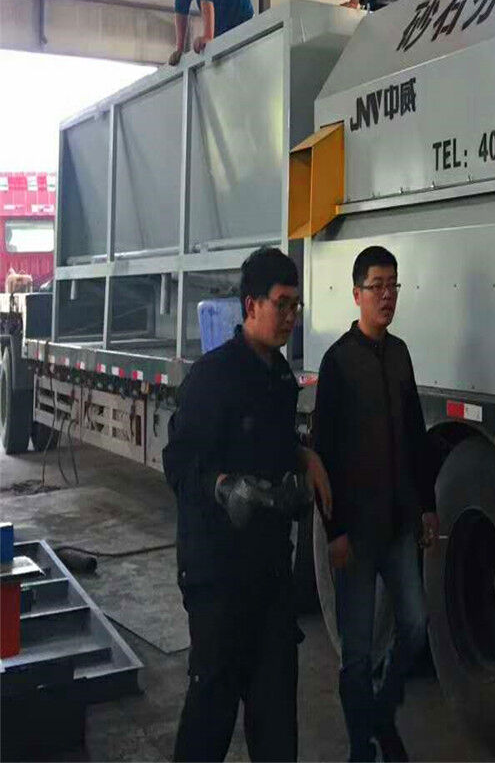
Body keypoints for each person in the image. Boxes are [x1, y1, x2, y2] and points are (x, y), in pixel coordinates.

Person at [163, 247, 332, 763]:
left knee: (276, 716)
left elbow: (272, 444)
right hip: (216, 578)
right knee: (211, 710)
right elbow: (179, 462)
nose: (290, 317)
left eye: (296, 306)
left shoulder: (280, 379)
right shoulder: (212, 377)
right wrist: (223, 487)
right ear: (250, 305)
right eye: (281, 304)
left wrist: (301, 460)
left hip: (269, 576)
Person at [313, 245, 438, 762]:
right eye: (377, 286)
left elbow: (415, 434)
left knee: (414, 626)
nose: (387, 296)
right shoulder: (338, 362)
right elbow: (322, 454)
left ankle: (382, 710)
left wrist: (426, 505)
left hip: (399, 525)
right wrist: (335, 532)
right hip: (357, 534)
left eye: (393, 286)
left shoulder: (401, 354)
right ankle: (362, 746)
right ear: (357, 293)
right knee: (357, 652)